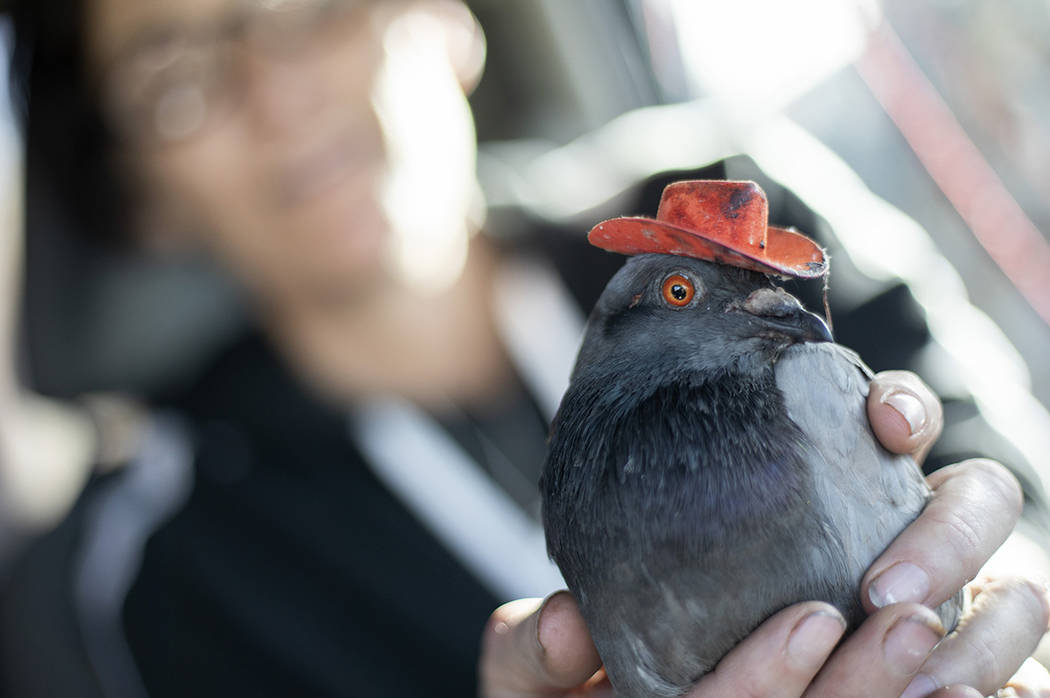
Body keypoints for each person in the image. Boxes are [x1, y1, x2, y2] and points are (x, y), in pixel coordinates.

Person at [2, 0, 1049, 696]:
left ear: (447, 20)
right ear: (138, 195)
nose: (278, 98)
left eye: (311, 7)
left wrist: (1000, 601)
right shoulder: (168, 574)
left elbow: (1016, 502)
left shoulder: (729, 214)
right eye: (177, 77)